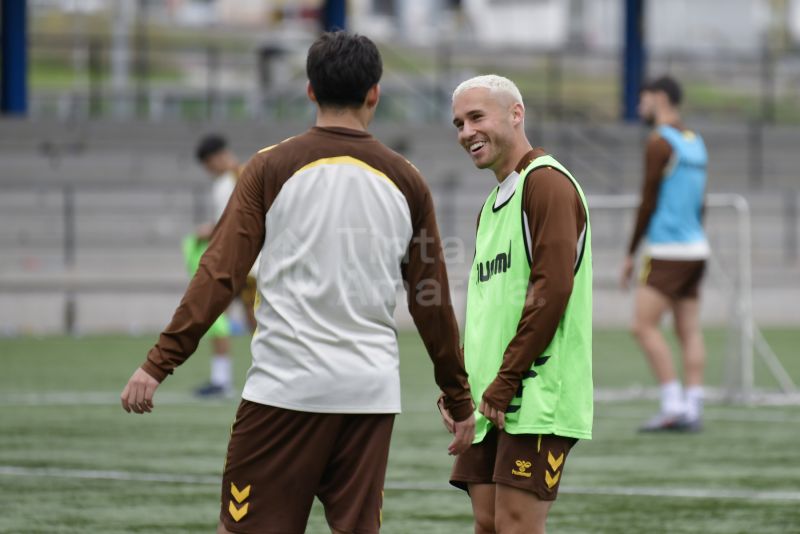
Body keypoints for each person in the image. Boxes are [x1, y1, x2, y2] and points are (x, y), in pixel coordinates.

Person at [120, 31, 475, 534]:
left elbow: (220, 273)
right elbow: (430, 300)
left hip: (285, 392)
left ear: (310, 91)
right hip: (370, 396)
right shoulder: (407, 179)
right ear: (375, 93)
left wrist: (159, 363)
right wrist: (458, 399)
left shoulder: (269, 166)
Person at [442, 74, 593, 534]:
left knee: (514, 526)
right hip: (492, 399)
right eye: (458, 123)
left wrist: (505, 382)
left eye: (476, 117)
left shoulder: (546, 184)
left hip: (535, 395)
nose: (466, 132)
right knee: (488, 525)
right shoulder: (491, 205)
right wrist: (460, 386)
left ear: (516, 114)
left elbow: (553, 292)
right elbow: (489, 312)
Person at [620, 75, 708, 433]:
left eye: (643, 100)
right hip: (696, 249)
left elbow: (648, 201)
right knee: (688, 329)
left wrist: (630, 253)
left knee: (642, 326)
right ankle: (694, 405)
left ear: (659, 98)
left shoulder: (659, 142)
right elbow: (700, 203)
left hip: (667, 249)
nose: (640, 107)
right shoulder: (696, 142)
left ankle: (673, 405)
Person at [187, 134, 258, 397]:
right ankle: (221, 379)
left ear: (215, 159)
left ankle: (227, 380)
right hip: (246, 263)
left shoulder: (231, 181)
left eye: (208, 164)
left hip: (245, 266)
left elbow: (233, 225)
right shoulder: (250, 174)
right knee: (221, 318)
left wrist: (209, 232)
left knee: (251, 323)